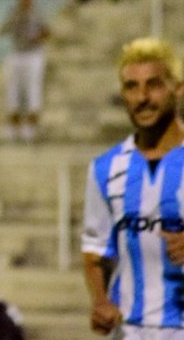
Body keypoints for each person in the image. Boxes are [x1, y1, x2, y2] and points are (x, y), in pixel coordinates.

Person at [84, 37, 184, 338]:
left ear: (177, 88)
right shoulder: (105, 168)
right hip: (129, 330)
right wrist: (100, 302)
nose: (142, 97)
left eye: (153, 85)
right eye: (131, 87)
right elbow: (95, 251)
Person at [0, 0, 50, 143]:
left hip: (33, 54)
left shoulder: (38, 13)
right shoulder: (13, 12)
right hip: (17, 53)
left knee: (33, 90)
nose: (25, 0)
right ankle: (14, 126)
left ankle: (31, 127)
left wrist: (36, 38)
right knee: (13, 90)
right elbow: (2, 30)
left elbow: (47, 32)